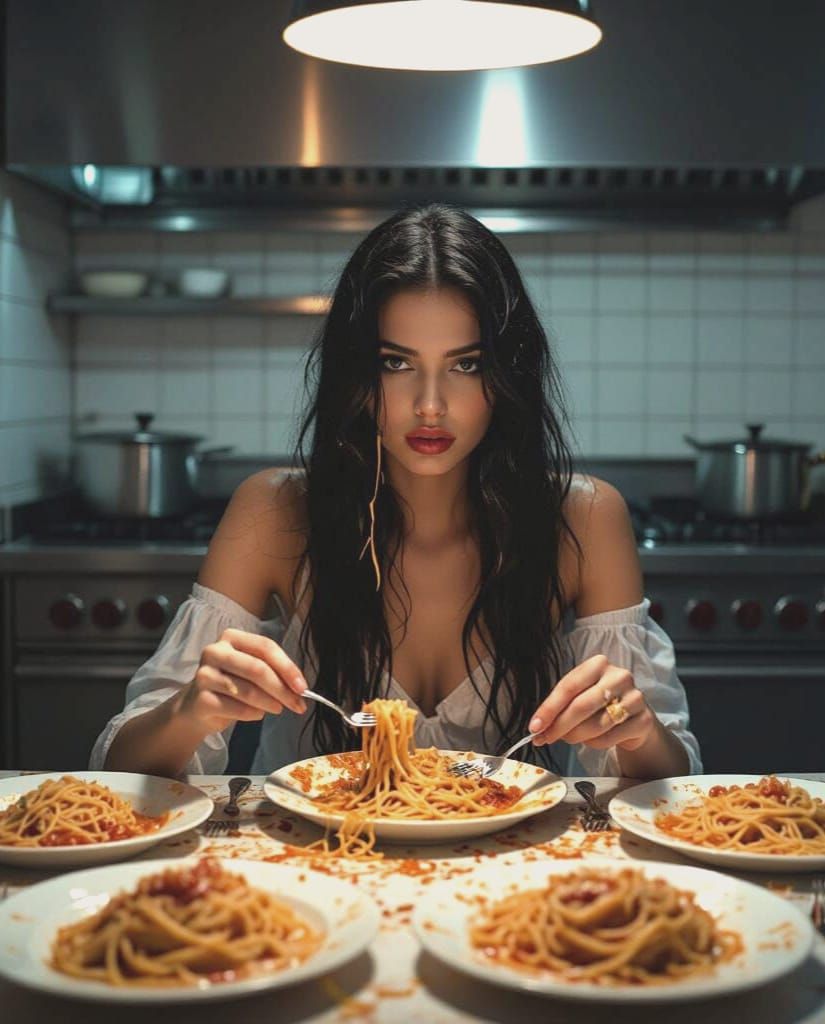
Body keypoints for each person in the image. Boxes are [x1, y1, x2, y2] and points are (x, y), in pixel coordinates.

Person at [92, 204, 701, 781]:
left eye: (466, 365)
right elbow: (119, 777)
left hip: (516, 879)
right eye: (395, 363)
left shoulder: (585, 517)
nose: (430, 405)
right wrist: (190, 711)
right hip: (307, 869)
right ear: (355, 374)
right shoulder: (275, 512)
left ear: (506, 375)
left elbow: (667, 788)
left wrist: (637, 728)